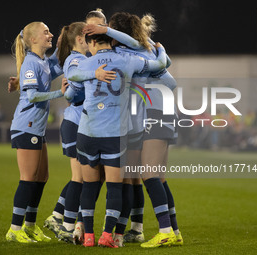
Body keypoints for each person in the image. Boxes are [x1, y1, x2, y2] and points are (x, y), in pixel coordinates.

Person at [83, 12, 183, 248]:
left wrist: (104, 33)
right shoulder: (145, 50)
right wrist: (160, 59)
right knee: (157, 177)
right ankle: (173, 230)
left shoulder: (126, 53)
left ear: (117, 34)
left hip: (154, 116)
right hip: (163, 113)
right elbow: (170, 81)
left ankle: (165, 230)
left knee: (147, 175)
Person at [67, 31, 167, 248]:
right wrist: (160, 49)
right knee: (115, 187)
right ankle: (107, 235)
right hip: (115, 134)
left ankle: (89, 237)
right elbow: (159, 64)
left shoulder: (86, 63)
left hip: (87, 132)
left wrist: (94, 73)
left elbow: (72, 77)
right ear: (111, 41)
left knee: (89, 186)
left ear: (92, 42)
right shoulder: (128, 60)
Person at [43, 9, 109, 244]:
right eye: (88, 34)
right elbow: (75, 85)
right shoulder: (76, 59)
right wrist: (93, 75)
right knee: (81, 178)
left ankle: (65, 219)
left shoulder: (84, 58)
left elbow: (72, 86)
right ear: (81, 38)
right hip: (75, 122)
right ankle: (69, 225)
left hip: (84, 123)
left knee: (89, 178)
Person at [5, 21, 68, 243]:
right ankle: (14, 229)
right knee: (28, 178)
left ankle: (30, 226)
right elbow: (31, 96)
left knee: (41, 177)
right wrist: (58, 94)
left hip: (36, 127)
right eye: (46, 32)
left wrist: (62, 45)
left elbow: (57, 65)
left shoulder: (41, 61)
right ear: (33, 40)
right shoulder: (30, 63)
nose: (49, 34)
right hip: (26, 125)